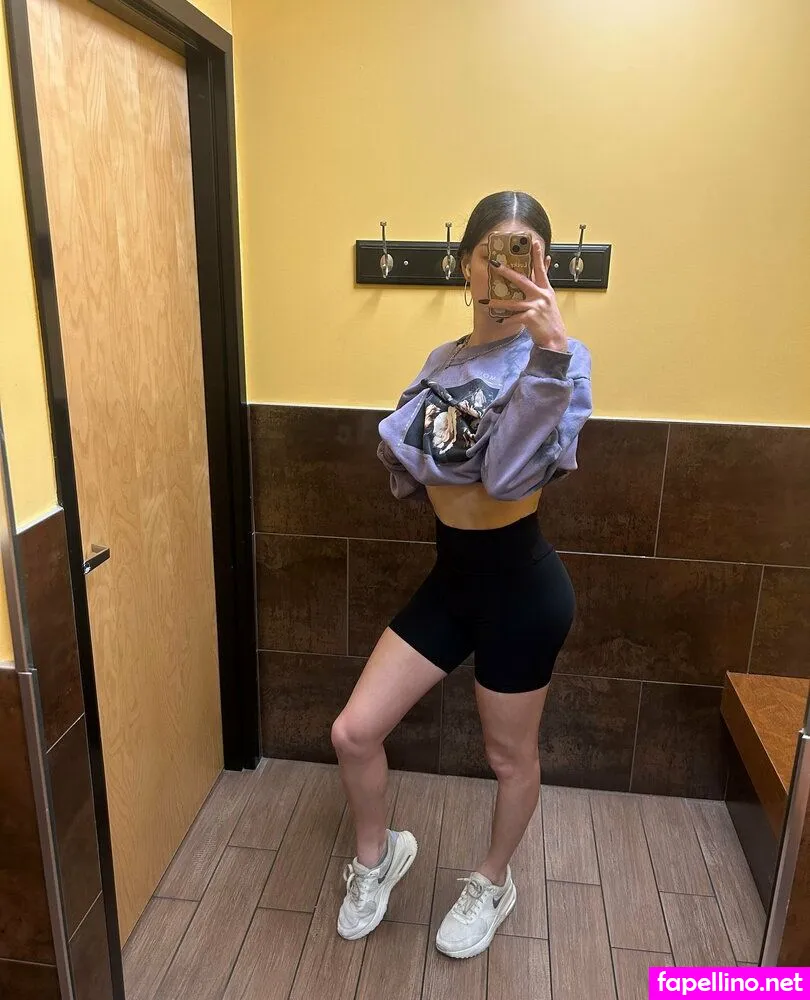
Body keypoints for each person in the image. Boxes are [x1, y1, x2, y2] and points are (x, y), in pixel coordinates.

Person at [330, 191, 592, 959]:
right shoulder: (442, 361)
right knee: (353, 732)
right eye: (493, 253)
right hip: (452, 580)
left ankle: (492, 881)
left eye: (526, 253)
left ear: (546, 267)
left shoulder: (565, 360)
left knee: (508, 758)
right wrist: (451, 447)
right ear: (466, 266)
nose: (508, 270)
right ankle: (379, 857)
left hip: (523, 592)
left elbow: (505, 478)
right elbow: (406, 460)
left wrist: (548, 357)